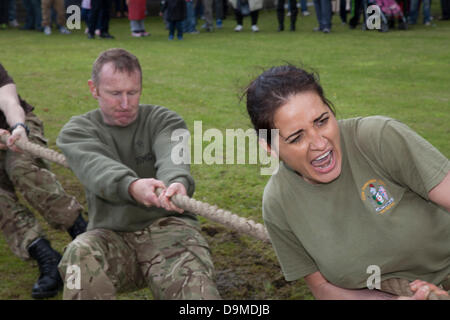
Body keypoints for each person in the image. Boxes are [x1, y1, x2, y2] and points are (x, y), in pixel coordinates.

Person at [244, 65, 450, 300]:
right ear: (269, 147)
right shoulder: (278, 202)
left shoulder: (378, 138)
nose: (319, 143)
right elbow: (322, 289)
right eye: (297, 137)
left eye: (321, 121)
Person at [56, 48, 221, 300]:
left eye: (132, 93)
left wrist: (175, 182)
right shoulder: (77, 132)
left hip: (170, 229)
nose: (125, 103)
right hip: (113, 237)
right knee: (78, 253)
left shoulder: (164, 120)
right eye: (115, 94)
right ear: (94, 89)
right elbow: (96, 167)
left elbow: (172, 154)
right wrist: (132, 186)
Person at [0, 63, 87, 299]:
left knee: (21, 168)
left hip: (17, 128)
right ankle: (45, 256)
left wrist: (18, 127)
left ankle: (82, 234)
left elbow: (8, 100)